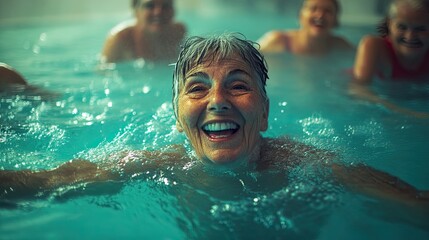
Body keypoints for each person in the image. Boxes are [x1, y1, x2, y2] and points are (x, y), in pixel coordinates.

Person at [1, 34, 428, 220]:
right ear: (178, 117)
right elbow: (45, 182)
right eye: (198, 88)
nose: (218, 100)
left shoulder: (310, 164)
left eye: (238, 86)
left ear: (263, 113)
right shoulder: (150, 165)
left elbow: (411, 204)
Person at [350, 0, 429, 118]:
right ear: (389, 25)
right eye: (402, 27)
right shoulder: (374, 47)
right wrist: (412, 115)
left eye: (421, 29)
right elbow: (359, 91)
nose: (410, 36)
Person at [100, 0, 186, 63]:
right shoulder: (119, 39)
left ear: (173, 10)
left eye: (166, 6)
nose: (158, 12)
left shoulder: (178, 32)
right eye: (150, 6)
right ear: (136, 11)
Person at [257, 0, 353, 56]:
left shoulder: (340, 46)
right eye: (313, 9)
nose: (320, 15)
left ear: (335, 20)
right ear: (300, 16)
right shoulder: (277, 40)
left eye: (327, 11)